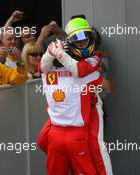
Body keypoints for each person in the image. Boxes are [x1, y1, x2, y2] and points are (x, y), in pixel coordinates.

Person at [38, 16, 113, 175]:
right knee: (95, 147)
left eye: (84, 40)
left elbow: (43, 66)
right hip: (76, 128)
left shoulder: (46, 74)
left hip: (62, 127)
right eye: (77, 41)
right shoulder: (84, 74)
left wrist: (54, 52)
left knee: (96, 145)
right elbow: (108, 86)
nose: (81, 43)